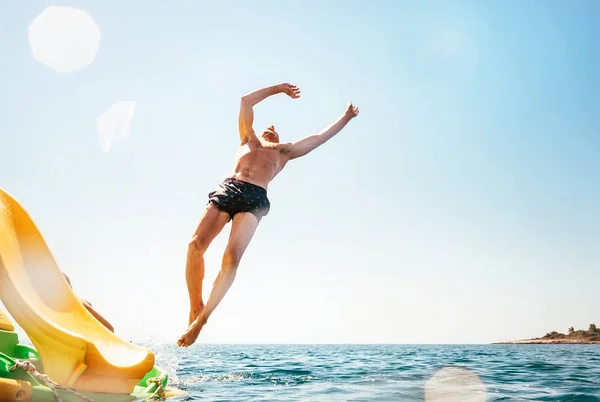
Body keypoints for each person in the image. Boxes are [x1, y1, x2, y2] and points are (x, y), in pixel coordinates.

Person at [176, 83, 359, 347]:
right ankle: (196, 307)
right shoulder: (247, 139)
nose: (270, 126)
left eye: (275, 129)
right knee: (195, 246)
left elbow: (320, 137)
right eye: (267, 127)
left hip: (254, 199)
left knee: (231, 259)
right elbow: (245, 102)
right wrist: (279, 89)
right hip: (229, 187)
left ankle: (202, 320)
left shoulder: (284, 152)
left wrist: (346, 117)